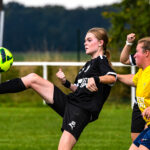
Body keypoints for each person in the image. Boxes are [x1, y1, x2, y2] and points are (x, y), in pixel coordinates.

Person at [0, 27, 116, 150]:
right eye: (84, 40)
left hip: (81, 111)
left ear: (100, 43)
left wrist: (96, 79)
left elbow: (112, 77)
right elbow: (79, 90)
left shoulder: (101, 61)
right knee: (32, 79)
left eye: (89, 40)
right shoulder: (87, 65)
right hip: (71, 103)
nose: (85, 43)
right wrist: (66, 83)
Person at [118, 37, 150, 150]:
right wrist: (115, 76)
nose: (134, 55)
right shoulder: (142, 71)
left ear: (146, 53)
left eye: (137, 51)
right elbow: (133, 80)